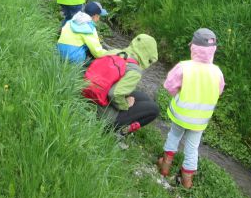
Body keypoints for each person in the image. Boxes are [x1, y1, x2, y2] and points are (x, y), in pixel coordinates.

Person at [157, 28, 225, 189]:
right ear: (213, 50)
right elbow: (219, 91)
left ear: (193, 48)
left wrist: (178, 92)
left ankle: (165, 166)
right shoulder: (217, 72)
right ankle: (187, 180)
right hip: (200, 119)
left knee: (173, 135)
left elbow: (169, 85)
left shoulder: (184, 67)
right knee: (193, 147)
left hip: (180, 114)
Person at [95, 34, 160, 135]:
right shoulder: (135, 70)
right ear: (147, 56)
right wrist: (126, 104)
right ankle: (117, 132)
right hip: (103, 114)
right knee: (154, 109)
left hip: (93, 98)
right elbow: (114, 94)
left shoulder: (115, 52)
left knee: (142, 96)